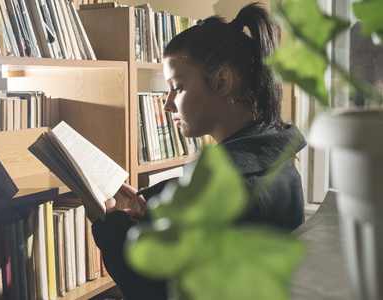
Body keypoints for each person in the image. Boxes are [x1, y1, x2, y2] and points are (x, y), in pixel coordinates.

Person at [91, 2, 307, 299]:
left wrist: (113, 233)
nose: (167, 105)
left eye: (177, 87)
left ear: (222, 82)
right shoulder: (278, 159)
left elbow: (161, 292)